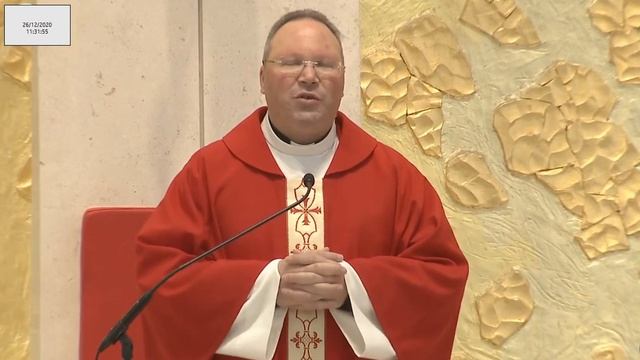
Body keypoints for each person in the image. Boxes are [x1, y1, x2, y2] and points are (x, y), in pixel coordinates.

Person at [136, 8, 468, 360]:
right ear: (262, 78)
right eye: (291, 62)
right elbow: (161, 277)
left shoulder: (395, 177)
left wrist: (353, 288)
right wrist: (270, 284)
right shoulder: (209, 172)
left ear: (343, 81)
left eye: (324, 65)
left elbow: (441, 276)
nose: (309, 76)